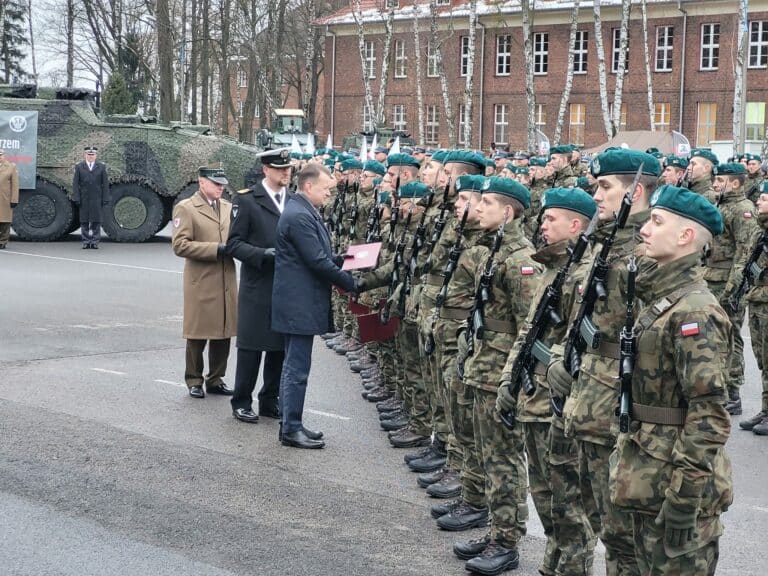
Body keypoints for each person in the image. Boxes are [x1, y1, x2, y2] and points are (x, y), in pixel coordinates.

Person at [547, 148, 662, 575]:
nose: (596, 195)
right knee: (595, 515)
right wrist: (562, 357)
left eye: (605, 187)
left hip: (616, 404)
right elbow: (580, 316)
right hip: (587, 396)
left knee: (623, 535)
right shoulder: (606, 242)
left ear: (636, 191)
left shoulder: (646, 250)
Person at [610, 184, 733, 575]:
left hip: (673, 484)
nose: (645, 230)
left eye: (657, 222)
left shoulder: (694, 311)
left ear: (685, 236)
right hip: (647, 476)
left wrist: (685, 496)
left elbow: (709, 414)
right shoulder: (665, 297)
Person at [497, 187, 598, 576]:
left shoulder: (583, 274)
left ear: (575, 225)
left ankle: (572, 567)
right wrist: (509, 380)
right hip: (532, 394)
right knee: (544, 494)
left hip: (555, 400)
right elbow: (527, 331)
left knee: (568, 501)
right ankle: (552, 562)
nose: (542, 223)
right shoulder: (553, 267)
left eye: (551, 218)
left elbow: (584, 344)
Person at [271, 164, 358, 449]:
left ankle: (291, 423)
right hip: (298, 304)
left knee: (293, 367)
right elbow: (317, 261)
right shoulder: (299, 215)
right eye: (325, 189)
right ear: (308, 186)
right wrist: (351, 283)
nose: (329, 194)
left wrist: (347, 259)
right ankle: (290, 428)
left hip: (298, 302)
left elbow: (320, 255)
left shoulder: (303, 210)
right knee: (296, 369)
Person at [227, 148, 292, 423]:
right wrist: (261, 254)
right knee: (251, 347)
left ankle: (269, 399)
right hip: (257, 284)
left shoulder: (293, 200)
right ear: (266, 170)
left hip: (285, 285)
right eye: (280, 169)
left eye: (288, 168)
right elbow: (234, 244)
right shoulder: (247, 200)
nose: (286, 173)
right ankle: (242, 400)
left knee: (278, 347)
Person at [172, 167, 237, 398]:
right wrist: (216, 249)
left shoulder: (228, 207)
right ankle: (194, 379)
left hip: (225, 277)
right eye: (216, 183)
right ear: (202, 183)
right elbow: (180, 245)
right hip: (201, 279)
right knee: (197, 333)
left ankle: (216, 379)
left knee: (223, 331)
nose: (221, 187)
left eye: (222, 184)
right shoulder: (187, 208)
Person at [706, 162, 759, 415]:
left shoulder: (743, 209)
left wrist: (733, 288)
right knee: (715, 337)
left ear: (735, 183)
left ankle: (733, 392)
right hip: (712, 279)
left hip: (728, 283)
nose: (716, 184)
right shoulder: (722, 205)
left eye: (721, 180)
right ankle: (719, 388)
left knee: (731, 337)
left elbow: (744, 252)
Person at [741, 181, 768, 435]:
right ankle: (765, 409)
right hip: (757, 301)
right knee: (762, 360)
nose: (758, 201)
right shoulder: (760, 230)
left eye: (764, 198)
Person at [72, 146, 110, 249]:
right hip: (84, 198)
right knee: (84, 221)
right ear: (85, 155)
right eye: (89, 154)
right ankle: (85, 241)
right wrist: (76, 197)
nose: (91, 156)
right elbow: (75, 184)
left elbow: (105, 184)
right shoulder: (79, 167)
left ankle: (94, 242)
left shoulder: (101, 167)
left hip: (97, 198)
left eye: (92, 155)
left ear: (96, 156)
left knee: (96, 221)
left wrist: (105, 198)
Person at [0, 149, 19, 249]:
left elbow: (15, 185)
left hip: (4, 199)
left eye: (1, 155)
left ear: (4, 156)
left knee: (5, 221)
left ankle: (2, 241)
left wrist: (14, 200)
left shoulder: (11, 167)